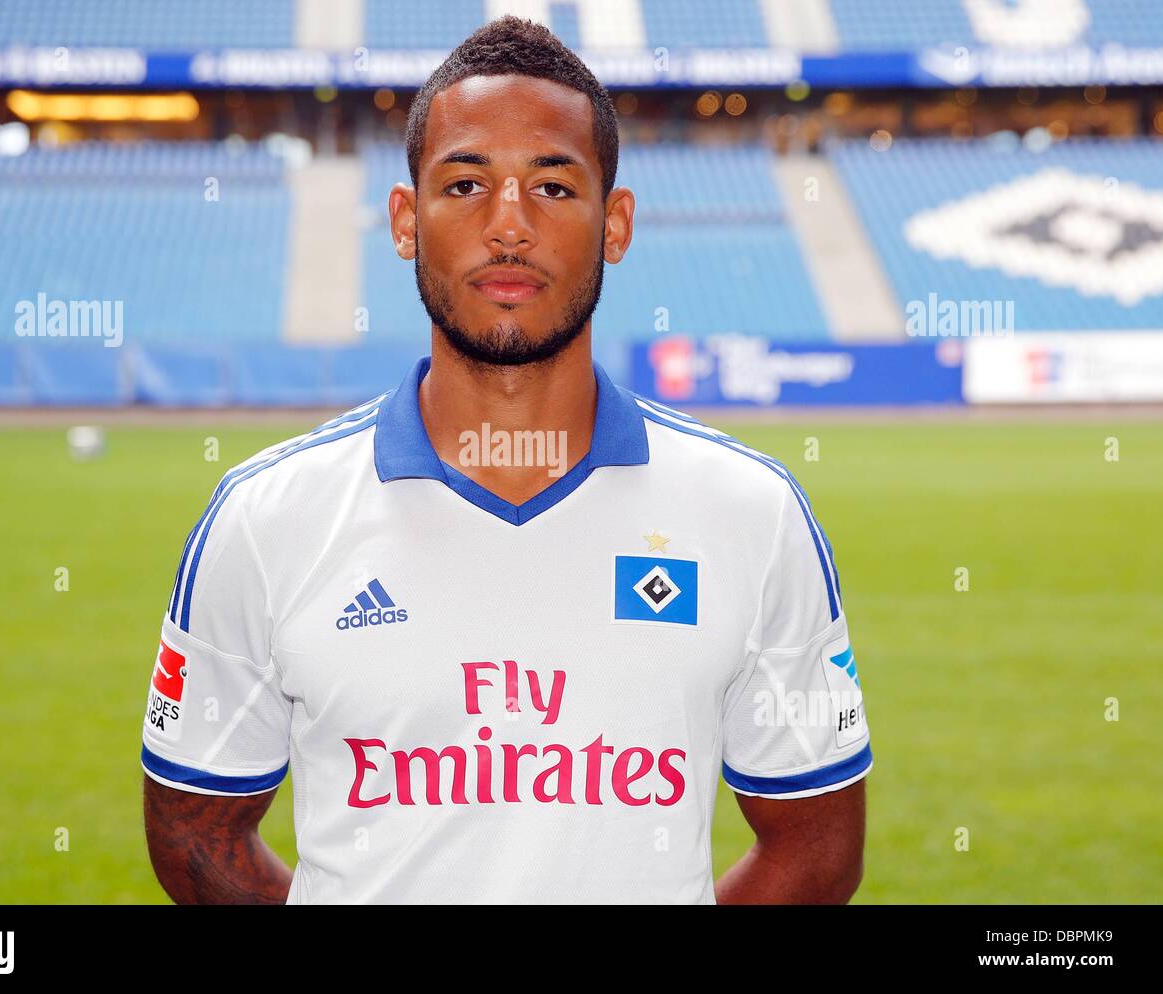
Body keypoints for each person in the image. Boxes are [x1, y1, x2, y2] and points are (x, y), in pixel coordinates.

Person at [142, 15, 870, 904]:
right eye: (466, 184)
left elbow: (819, 854)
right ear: (406, 221)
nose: (509, 226)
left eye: (555, 188)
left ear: (617, 223)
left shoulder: (750, 512)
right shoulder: (265, 518)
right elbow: (191, 833)